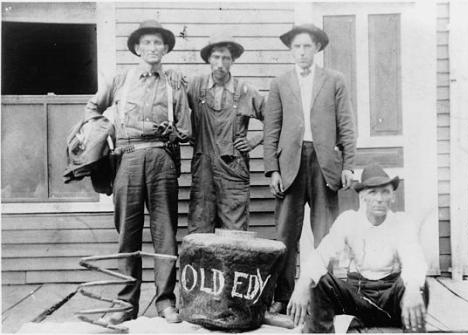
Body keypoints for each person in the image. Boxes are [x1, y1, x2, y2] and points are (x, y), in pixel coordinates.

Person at [84, 20, 191, 324]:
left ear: (166, 48)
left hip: (162, 161)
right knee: (127, 234)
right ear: (137, 48)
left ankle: (166, 302)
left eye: (158, 43)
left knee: (165, 234)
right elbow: (92, 109)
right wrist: (102, 136)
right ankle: (124, 305)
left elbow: (186, 129)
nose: (153, 48)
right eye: (147, 43)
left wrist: (174, 132)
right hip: (127, 160)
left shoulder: (174, 84)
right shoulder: (120, 80)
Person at [263, 23, 356, 313]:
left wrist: (348, 165)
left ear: (317, 48)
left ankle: (322, 293)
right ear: (290, 50)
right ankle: (283, 295)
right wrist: (272, 170)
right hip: (290, 163)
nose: (302, 52)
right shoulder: (280, 83)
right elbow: (271, 130)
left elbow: (346, 125)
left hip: (324, 163)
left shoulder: (334, 80)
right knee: (285, 234)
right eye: (296, 47)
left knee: (324, 232)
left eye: (307, 46)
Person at [287, 164, 429, 333]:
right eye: (373, 192)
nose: (379, 199)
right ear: (362, 197)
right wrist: (302, 284)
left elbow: (414, 257)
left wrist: (413, 289)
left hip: (391, 300)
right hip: (358, 297)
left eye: (385, 192)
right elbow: (321, 254)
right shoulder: (349, 221)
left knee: (419, 285)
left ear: (393, 197)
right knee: (319, 281)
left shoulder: (401, 222)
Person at [186, 32, 265, 233]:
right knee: (200, 230)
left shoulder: (246, 91)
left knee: (234, 233)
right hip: (203, 167)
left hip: (233, 168)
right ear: (208, 60)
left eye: (226, 58)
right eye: (216, 57)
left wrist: (256, 139)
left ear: (233, 60)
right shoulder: (195, 87)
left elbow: (277, 118)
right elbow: (174, 108)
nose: (220, 63)